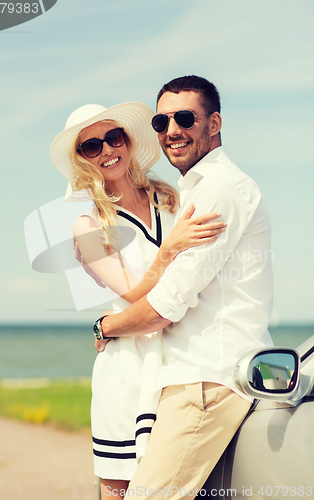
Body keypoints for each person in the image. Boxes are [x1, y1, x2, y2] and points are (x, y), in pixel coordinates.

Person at [97, 76, 274, 499]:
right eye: (162, 121)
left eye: (184, 118)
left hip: (200, 375)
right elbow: (140, 293)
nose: (171, 130)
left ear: (213, 123)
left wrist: (105, 327)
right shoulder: (90, 226)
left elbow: (164, 305)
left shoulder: (199, 193)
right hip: (153, 374)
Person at [49, 101, 226, 500]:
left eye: (114, 138)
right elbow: (132, 292)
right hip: (127, 370)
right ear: (81, 161)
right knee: (121, 491)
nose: (107, 150)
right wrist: (171, 249)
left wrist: (105, 324)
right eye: (91, 146)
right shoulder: (88, 226)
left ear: (128, 142)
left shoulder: (171, 199)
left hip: (181, 362)